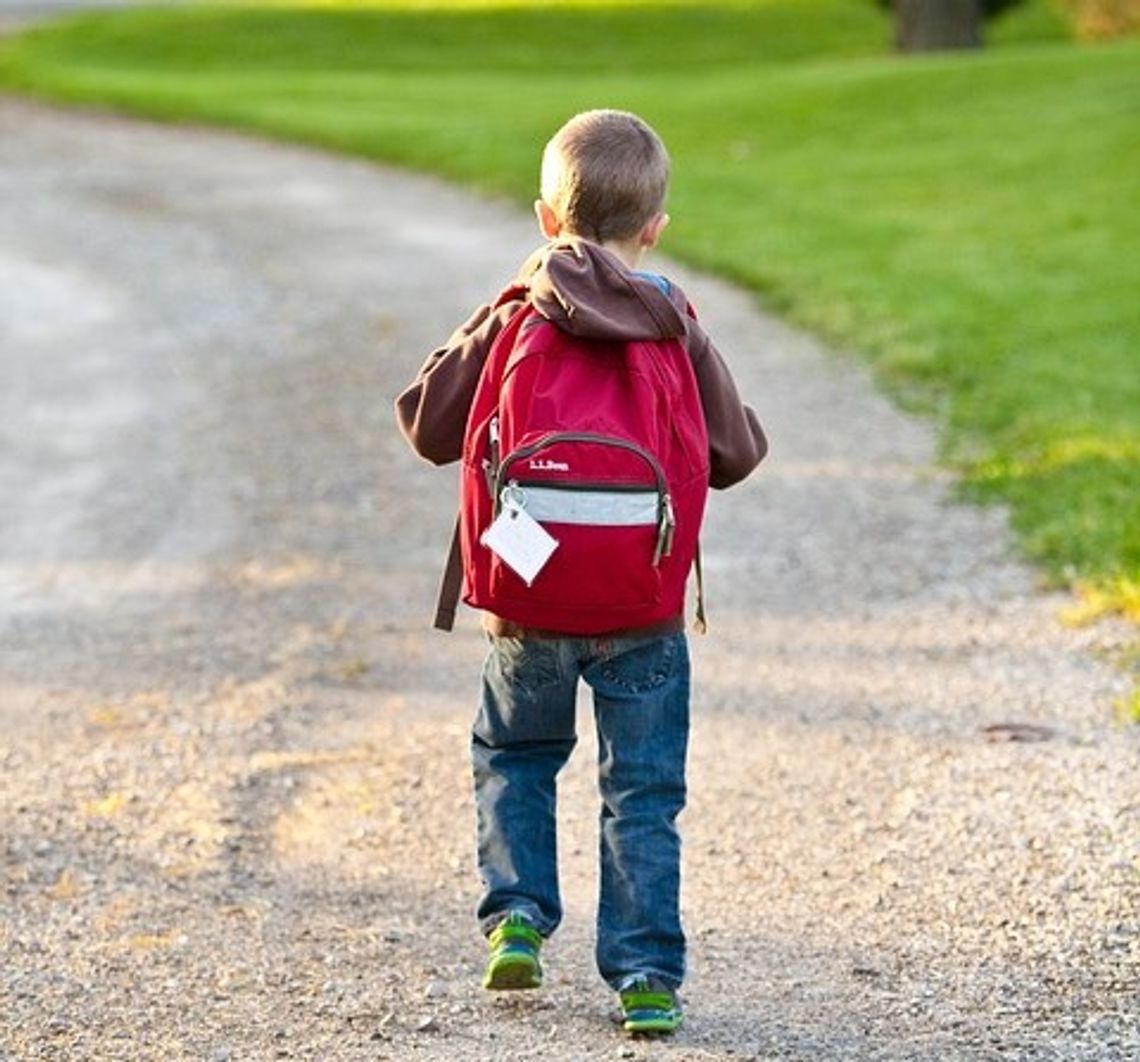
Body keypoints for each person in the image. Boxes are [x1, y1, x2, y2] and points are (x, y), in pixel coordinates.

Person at [395, 109, 766, 1035]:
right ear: (655, 228)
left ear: (545, 220)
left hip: (529, 604)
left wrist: (505, 300)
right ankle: (645, 976)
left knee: (516, 755)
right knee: (641, 791)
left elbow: (427, 423)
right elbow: (737, 453)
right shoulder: (671, 316)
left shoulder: (521, 311)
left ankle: (517, 915)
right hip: (644, 607)